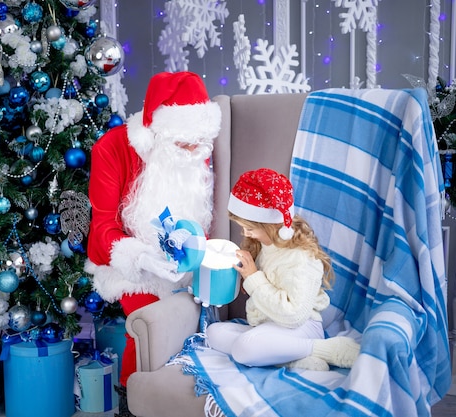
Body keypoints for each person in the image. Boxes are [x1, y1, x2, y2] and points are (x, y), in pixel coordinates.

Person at [85, 72, 221, 397]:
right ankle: (133, 402)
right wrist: (142, 257)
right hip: (130, 266)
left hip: (185, 265)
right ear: (154, 132)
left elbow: (201, 213)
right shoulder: (113, 147)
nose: (193, 151)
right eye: (183, 143)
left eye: (199, 143)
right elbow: (102, 226)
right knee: (152, 324)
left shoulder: (194, 147)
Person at [206, 168, 360, 371]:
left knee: (245, 348)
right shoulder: (264, 244)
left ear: (271, 224)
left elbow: (295, 315)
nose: (245, 233)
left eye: (250, 228)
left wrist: (253, 278)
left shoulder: (301, 258)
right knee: (213, 333)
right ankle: (292, 358)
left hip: (300, 327)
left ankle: (319, 349)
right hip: (269, 327)